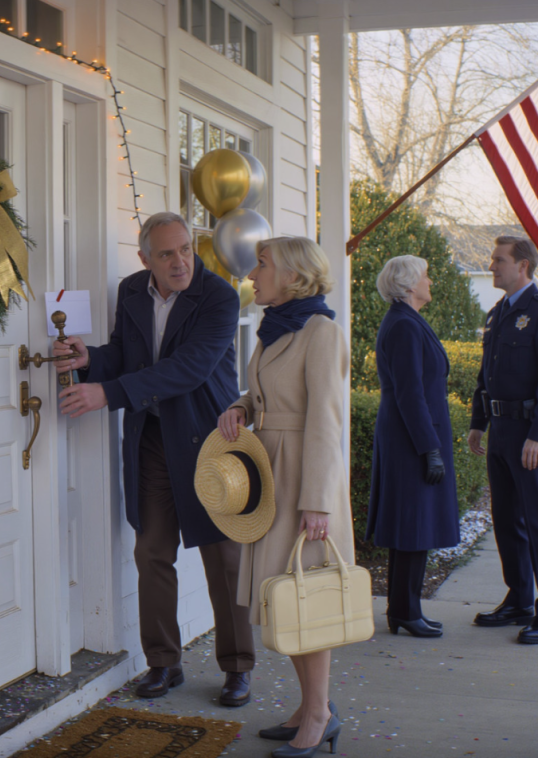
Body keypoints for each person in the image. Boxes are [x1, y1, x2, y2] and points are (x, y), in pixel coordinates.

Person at [53, 212, 255, 704]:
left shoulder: (219, 297)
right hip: (152, 441)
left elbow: (188, 368)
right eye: (166, 253)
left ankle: (237, 667)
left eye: (186, 248)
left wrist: (108, 393)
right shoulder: (131, 291)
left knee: (224, 560)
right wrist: (90, 360)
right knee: (151, 554)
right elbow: (126, 353)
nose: (180, 260)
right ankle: (163, 663)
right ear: (145, 258)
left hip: (210, 441)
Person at [218, 237, 353, 758]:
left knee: (307, 598)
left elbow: (325, 419)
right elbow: (263, 395)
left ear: (293, 275)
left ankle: (320, 714)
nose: (253, 272)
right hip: (271, 472)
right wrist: (239, 407)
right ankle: (310, 705)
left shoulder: (321, 331)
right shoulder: (274, 326)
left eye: (263, 264)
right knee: (283, 595)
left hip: (303, 479)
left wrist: (316, 500)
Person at [468, 236, 538, 645]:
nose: (492, 266)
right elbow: (486, 375)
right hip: (500, 433)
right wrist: (479, 422)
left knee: (537, 522)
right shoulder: (499, 314)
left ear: (523, 266)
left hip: (530, 436)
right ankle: (519, 600)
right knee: (506, 520)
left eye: (499, 260)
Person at [365, 255, 460, 638]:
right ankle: (404, 611)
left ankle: (406, 609)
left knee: (414, 527)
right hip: (410, 440)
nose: (430, 281)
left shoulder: (408, 321)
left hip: (412, 438)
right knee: (411, 527)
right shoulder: (404, 326)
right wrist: (429, 448)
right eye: (425, 275)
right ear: (408, 285)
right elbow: (409, 394)